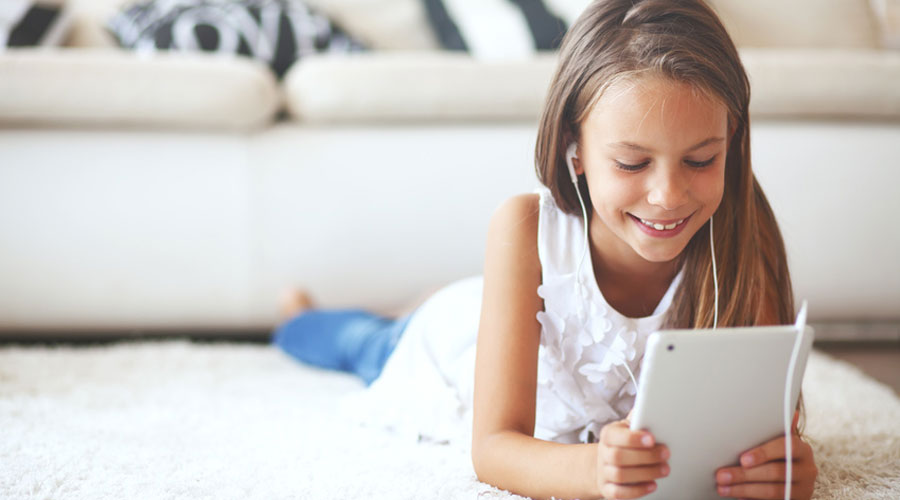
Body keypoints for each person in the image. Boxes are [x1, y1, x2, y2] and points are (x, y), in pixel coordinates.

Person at [272, 0, 819, 498]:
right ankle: (303, 313)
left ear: (732, 141)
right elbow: (492, 450)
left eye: (701, 161)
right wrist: (592, 471)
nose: (668, 196)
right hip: (447, 350)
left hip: (504, 322)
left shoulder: (746, 232)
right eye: (631, 163)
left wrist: (783, 469)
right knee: (361, 343)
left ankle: (439, 299)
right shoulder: (524, 227)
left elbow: (766, 434)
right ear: (572, 149)